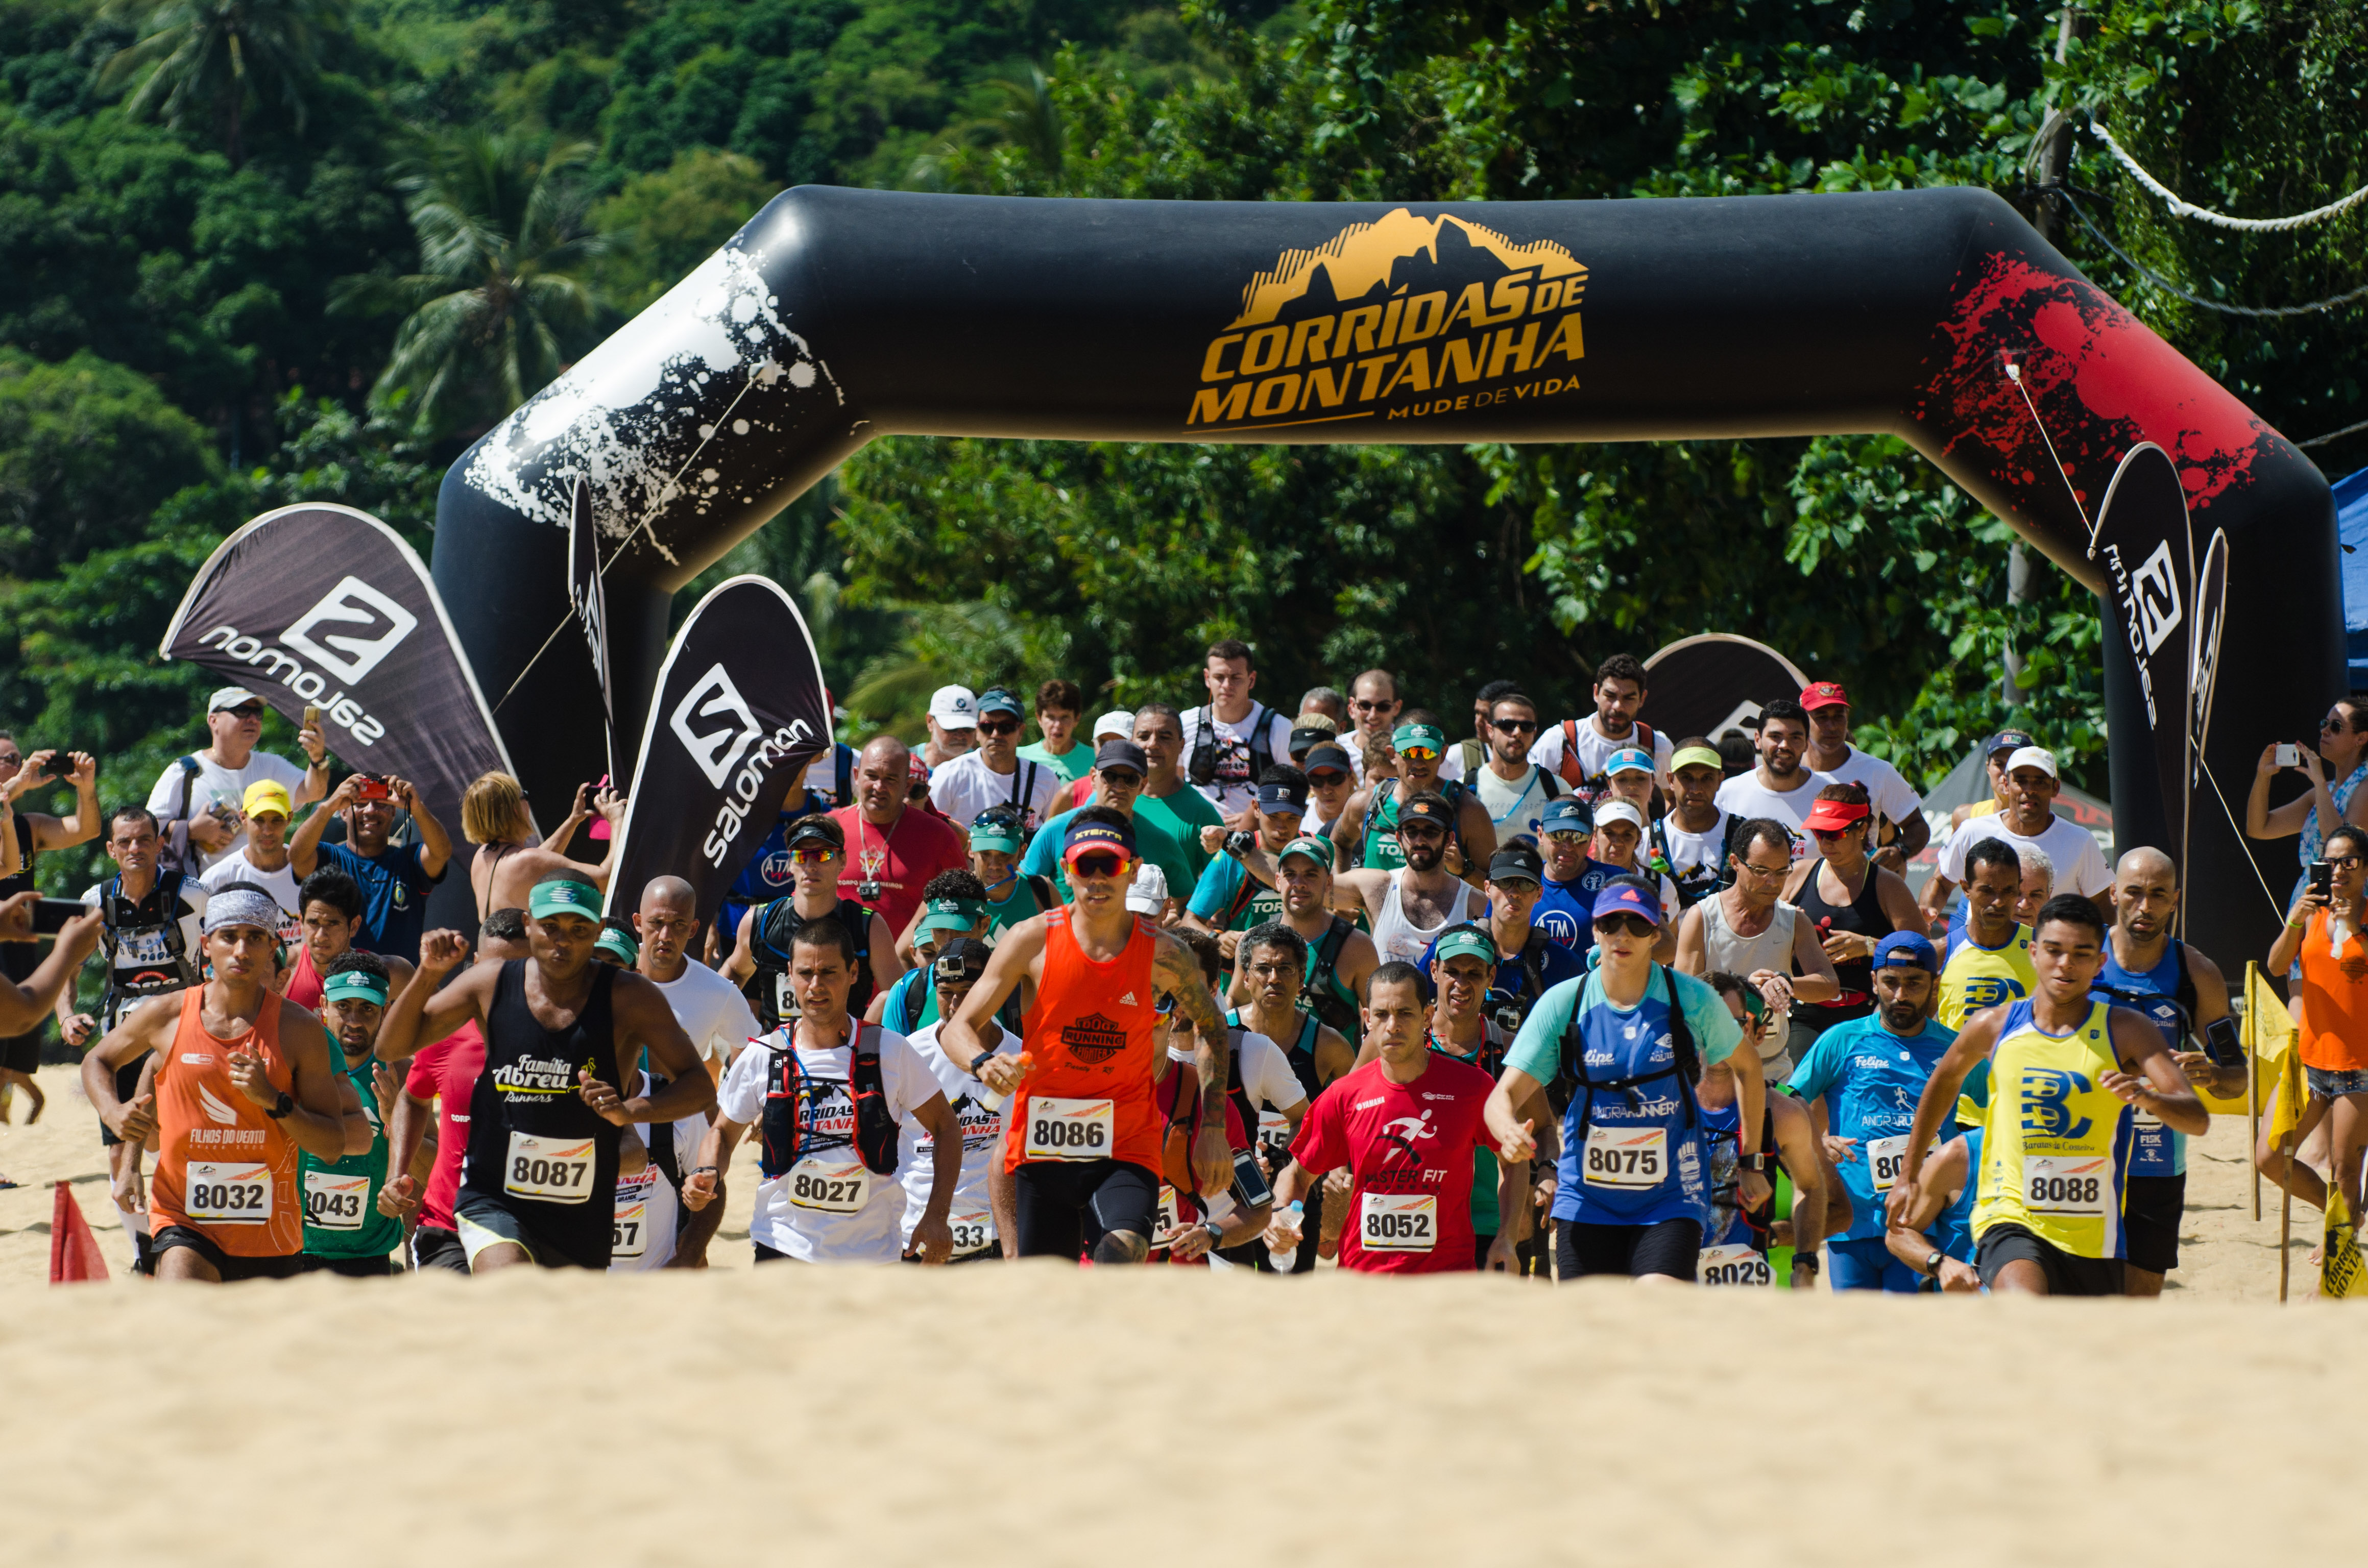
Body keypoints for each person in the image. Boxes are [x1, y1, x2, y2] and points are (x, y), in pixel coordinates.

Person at [936, 809, 1238, 1263]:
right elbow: (959, 1027)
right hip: (1043, 1146)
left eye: (1110, 865)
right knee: (1047, 1287)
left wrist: (1212, 1127)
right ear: (1065, 869)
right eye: (1085, 866)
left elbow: (1214, 1027)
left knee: (1125, 1250)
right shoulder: (1030, 940)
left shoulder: (1163, 953)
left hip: (1126, 1143)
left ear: (1132, 869)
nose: (1097, 879)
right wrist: (981, 1062)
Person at [374, 879, 714, 1270]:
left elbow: (699, 1087)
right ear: (529, 923)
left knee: (553, 1322)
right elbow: (390, 1047)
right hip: (495, 1191)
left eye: (579, 930)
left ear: (598, 932)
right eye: (550, 926)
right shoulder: (491, 984)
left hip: (579, 1203)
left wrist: (630, 1111)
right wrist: (429, 975)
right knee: (509, 1284)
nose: (562, 942)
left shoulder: (630, 997)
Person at [1894, 895, 2209, 1296]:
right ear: (2034, 953)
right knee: (2024, 1309)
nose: (2066, 964)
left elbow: (2196, 1119)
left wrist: (2151, 1100)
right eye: (2055, 951)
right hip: (2011, 1217)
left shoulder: (2128, 1030)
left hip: (2095, 1233)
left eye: (2081, 954)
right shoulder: (1995, 1026)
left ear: (2100, 964)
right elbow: (1942, 1084)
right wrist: (1908, 1175)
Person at [1488, 877, 1754, 1282]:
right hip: (1586, 1199)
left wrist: (1752, 1161)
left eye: (1638, 924)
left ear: (1656, 933)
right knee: (1595, 1326)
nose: (1623, 935)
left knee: (1655, 1305)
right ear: (1595, 928)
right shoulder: (1566, 1001)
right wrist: (1507, 1129)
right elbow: (1502, 1095)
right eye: (1611, 923)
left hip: (1671, 1198)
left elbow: (1749, 1070)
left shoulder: (1692, 999)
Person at [81, 887, 352, 1281]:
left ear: (272, 946)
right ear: (207, 945)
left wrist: (273, 1100)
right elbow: (97, 1060)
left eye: (255, 938)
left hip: (270, 1231)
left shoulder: (300, 1030)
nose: (241, 950)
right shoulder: (167, 1015)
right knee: (181, 1319)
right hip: (183, 1218)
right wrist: (113, 1113)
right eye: (229, 937)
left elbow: (331, 1145)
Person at [685, 917, 963, 1264]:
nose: (816, 986)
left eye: (829, 973)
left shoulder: (890, 1052)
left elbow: (946, 1127)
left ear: (853, 972)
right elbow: (722, 1135)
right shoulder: (765, 1054)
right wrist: (707, 1171)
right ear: (790, 974)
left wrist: (937, 1214)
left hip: (873, 1253)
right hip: (783, 1244)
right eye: (805, 973)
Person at [1269, 960, 1514, 1273]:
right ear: (1367, 1019)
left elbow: (1513, 1161)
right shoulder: (1343, 1096)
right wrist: (1280, 1213)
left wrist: (1506, 1235)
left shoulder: (1473, 1087)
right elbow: (1297, 1174)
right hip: (1365, 1283)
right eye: (1382, 1015)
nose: (1393, 1026)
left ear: (1427, 1017)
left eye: (1405, 1013)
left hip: (1448, 1282)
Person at [58, 806, 209, 1268]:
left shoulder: (194, 896)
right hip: (122, 1038)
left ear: (161, 842)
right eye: (125, 842)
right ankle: (144, 1254)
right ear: (111, 850)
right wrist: (67, 1016)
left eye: (144, 840)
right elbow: (70, 962)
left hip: (183, 1035)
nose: (135, 850)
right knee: (122, 1147)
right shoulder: (96, 901)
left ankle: (189, 1241)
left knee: (183, 1142)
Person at [2091, 846, 2239, 1296]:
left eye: (2158, 895)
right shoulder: (2080, 953)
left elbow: (2239, 1076)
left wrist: (2213, 1074)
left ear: (2175, 899)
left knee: (2141, 1296)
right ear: (2114, 892)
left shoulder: (2197, 973)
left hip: (2155, 1159)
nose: (2145, 907)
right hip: (2080, 1149)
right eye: (2134, 893)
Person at [1783, 933, 1959, 1291]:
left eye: (1914, 984)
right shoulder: (1842, 1039)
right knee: (1853, 1336)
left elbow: (1999, 1106)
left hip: (1923, 1226)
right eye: (1891, 982)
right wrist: (1818, 1141)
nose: (1901, 995)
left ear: (1934, 984)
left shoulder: (1954, 1049)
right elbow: (1788, 1102)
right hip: (1854, 1224)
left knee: (1908, 1338)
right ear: (1873, 981)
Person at [376, 910, 531, 1273]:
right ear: (475, 965)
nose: (504, 985)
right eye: (493, 970)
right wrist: (396, 1174)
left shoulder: (560, 1038)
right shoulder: (446, 1033)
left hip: (528, 1226)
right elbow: (413, 1097)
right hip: (446, 1225)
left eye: (518, 972)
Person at [1226, 922, 1355, 1270]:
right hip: (1228, 1189)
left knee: (1289, 1299)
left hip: (1299, 1188)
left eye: (1285, 969)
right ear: (1246, 976)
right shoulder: (1220, 1035)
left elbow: (1353, 1114)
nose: (1274, 979)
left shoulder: (1330, 1047)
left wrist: (1338, 1168)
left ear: (1302, 979)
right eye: (1263, 969)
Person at [2259, 823, 2368, 1228]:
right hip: (2311, 1064)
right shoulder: (2310, 915)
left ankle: (2338, 1248)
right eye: (2330, 863)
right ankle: (2342, 1217)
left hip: (2360, 1067)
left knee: (2346, 1171)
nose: (2338, 871)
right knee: (2269, 1157)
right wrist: (2293, 921)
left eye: (2349, 862)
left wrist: (2356, 929)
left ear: (2366, 870)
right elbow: (2274, 966)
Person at [1675, 818, 1839, 1080]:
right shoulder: (1702, 917)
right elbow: (1683, 999)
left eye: (1782, 872)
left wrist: (1785, 983)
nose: (1773, 882)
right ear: (1735, 863)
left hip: (1772, 1068)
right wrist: (1743, 991)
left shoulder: (1794, 920)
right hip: (1713, 1069)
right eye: (1761, 871)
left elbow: (1830, 986)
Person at [1698, 973, 1827, 1288]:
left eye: (1734, 1025)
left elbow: (1813, 1188)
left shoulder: (1783, 1113)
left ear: (1756, 1033)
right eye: (1707, 1022)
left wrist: (1805, 1262)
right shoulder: (1661, 1102)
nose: (1719, 1038)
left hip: (1745, 1292)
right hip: (1668, 1278)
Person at [897, 938, 1021, 1261]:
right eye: (946, 993)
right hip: (915, 1230)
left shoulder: (1020, 1056)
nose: (955, 1005)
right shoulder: (907, 1054)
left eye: (967, 993)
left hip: (996, 1235)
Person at [1416, 925, 1531, 1268]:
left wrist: (1548, 1174)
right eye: (1451, 971)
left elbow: (1541, 1129)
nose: (1461, 983)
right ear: (1434, 970)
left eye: (1474, 973)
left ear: (1491, 976)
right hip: (1409, 1222)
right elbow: (1348, 1109)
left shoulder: (1508, 1048)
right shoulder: (1399, 1039)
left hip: (1483, 1223)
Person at [1777, 783, 1921, 1056]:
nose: (1825, 842)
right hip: (1803, 1014)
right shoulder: (1798, 875)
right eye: (1819, 832)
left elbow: (1924, 953)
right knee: (1798, 1095)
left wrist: (1869, 946)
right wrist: (1786, 925)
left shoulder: (1888, 886)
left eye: (1834, 833)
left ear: (1862, 829)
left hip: (1866, 1015)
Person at [725, 814, 901, 1033]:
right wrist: (743, 1031)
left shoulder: (868, 926)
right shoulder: (760, 921)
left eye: (823, 855)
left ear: (843, 861)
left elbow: (899, 1000)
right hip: (781, 1052)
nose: (811, 865)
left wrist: (870, 1039)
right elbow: (735, 972)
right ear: (790, 863)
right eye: (801, 856)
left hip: (846, 1051)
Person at [298, 952, 414, 1275]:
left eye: (367, 1008)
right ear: (323, 1006)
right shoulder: (293, 1061)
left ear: (386, 1011)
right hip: (292, 1244)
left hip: (367, 1252)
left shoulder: (400, 1075)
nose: (354, 1021)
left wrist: (396, 1121)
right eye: (343, 1006)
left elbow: (431, 1169)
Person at [0, 740, 99, 1112]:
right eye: (7, 760)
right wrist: (19, 785)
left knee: (10, 1064)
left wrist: (86, 788)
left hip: (21, 945)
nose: (18, 765)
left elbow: (85, 830)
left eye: (18, 759)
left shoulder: (24, 827)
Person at [1921, 745, 2111, 925]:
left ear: (2055, 788)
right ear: (2006, 784)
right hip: (1986, 954)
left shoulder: (2080, 840)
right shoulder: (1972, 831)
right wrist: (1927, 912)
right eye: (2021, 780)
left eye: (2040, 782)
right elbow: (1941, 882)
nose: (2030, 790)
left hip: (2049, 955)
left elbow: (2104, 901)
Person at [145, 687, 328, 870]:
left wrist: (318, 758)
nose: (253, 719)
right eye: (241, 711)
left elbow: (314, 792)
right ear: (213, 720)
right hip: (204, 892)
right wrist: (192, 830)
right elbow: (147, 830)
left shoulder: (271, 766)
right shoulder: (186, 771)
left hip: (263, 889)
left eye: (258, 713)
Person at [1224, 835, 1375, 1049]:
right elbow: (1235, 1005)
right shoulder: (1253, 941)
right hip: (1262, 1074)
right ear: (1278, 881)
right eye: (1290, 874)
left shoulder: (1357, 947)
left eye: (1311, 875)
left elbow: (1380, 1022)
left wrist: (1354, 1078)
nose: (1299, 884)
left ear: (1329, 883)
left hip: (1331, 1077)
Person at [1016, 739, 1197, 913]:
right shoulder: (1055, 830)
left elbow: (1188, 909)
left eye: (1130, 779)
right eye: (1110, 777)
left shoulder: (1160, 841)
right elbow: (1023, 892)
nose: (1119, 786)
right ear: (1094, 777)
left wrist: (1169, 925)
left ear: (1143, 784)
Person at [1419, 844, 1585, 1035]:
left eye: (1525, 884)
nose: (1514, 893)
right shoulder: (1453, 944)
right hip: (1457, 1061)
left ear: (1539, 894)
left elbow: (1583, 1032)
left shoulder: (1562, 962)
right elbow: (1409, 1000)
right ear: (1488, 888)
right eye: (1505, 882)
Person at [290, 771, 452, 962]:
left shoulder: (409, 859)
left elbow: (441, 852)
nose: (370, 810)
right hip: (340, 984)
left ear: (394, 811)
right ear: (343, 812)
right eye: (360, 804)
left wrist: (416, 807)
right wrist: (328, 805)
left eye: (381, 804)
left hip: (400, 985)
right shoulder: (329, 857)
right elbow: (296, 856)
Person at [833, 736, 969, 938]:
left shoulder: (938, 835)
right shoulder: (830, 827)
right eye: (871, 776)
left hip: (908, 966)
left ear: (908, 785)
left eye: (891, 779)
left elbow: (962, 906)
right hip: (836, 964)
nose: (879, 787)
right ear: (856, 776)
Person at [1334, 715, 1496, 878]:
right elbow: (1338, 844)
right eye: (1409, 752)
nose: (1418, 764)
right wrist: (1341, 896)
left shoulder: (1468, 811)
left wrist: (1462, 869)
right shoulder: (1366, 804)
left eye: (1428, 753)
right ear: (1392, 754)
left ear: (1443, 754)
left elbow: (1495, 886)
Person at [1333, 794, 1485, 968]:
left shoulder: (1473, 902)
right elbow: (1310, 891)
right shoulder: (1376, 887)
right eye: (1411, 832)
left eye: (1431, 832)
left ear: (1449, 839)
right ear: (1399, 838)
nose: (1420, 840)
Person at [2245, 697, 2368, 902]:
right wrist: (2263, 776)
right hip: (2311, 904)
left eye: (2336, 726)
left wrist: (2319, 783)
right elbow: (2259, 828)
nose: (2325, 731)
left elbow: (2342, 849)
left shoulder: (2363, 787)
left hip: (2344, 904)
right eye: (2324, 723)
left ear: (2361, 739)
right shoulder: (2324, 791)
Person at [1797, 681, 1928, 872]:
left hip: (1858, 891)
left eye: (1839, 717)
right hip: (1796, 894)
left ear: (1847, 718)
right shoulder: (1789, 771)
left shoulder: (1877, 771)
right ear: (1803, 720)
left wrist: (1901, 851)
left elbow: (1918, 826)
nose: (1832, 726)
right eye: (1822, 717)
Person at [463, 772, 622, 923]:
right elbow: (606, 879)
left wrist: (573, 820)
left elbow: (537, 862)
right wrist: (617, 822)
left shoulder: (482, 856)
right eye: (524, 795)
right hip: (525, 952)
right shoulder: (527, 862)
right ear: (515, 810)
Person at [1185, 770, 1308, 954]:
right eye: (1273, 816)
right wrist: (1217, 939)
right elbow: (1189, 921)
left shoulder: (1315, 851)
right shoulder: (1230, 858)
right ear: (1256, 809)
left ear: (1305, 811)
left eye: (1292, 817)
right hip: (1242, 975)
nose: (1281, 828)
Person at [1528, 653, 1673, 802]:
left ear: (1642, 699)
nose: (1618, 706)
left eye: (1629, 698)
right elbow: (1527, 793)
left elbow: (1674, 799)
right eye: (1610, 696)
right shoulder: (1560, 740)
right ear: (1596, 693)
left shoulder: (1657, 745)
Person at [929, 685, 1062, 838]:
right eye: (987, 727)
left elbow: (1056, 839)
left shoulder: (1044, 778)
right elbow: (931, 832)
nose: (996, 734)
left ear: (1021, 732)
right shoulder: (949, 775)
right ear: (977, 731)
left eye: (1007, 727)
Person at [1179, 638, 1292, 816]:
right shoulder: (1186, 723)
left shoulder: (1279, 727)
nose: (1227, 686)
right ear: (1207, 678)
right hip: (1199, 832)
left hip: (1255, 834)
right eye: (1219, 677)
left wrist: (1254, 818)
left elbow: (1291, 790)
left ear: (1252, 679)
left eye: (1236, 678)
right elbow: (1173, 783)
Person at [282, 867, 416, 1014]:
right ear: (301, 922)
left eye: (332, 924)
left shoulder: (389, 974)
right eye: (313, 923)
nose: (320, 936)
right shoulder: (282, 969)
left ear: (354, 926)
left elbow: (440, 1024)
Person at [1936, 837, 2036, 1030]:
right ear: (1966, 889)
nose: (1998, 902)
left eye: (2008, 891)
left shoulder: (2042, 948)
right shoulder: (1940, 953)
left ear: (2018, 888)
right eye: (1987, 891)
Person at [196, 781, 306, 947]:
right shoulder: (217, 879)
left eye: (276, 820)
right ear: (243, 818)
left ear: (289, 819)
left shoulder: (311, 871)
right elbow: (202, 945)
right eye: (259, 820)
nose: (267, 830)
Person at [1710, 698, 1821, 860]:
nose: (1784, 745)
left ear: (1806, 743)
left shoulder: (1827, 795)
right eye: (1775, 736)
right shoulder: (1727, 793)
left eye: (1795, 737)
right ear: (1757, 739)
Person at [1127, 704, 1225, 879]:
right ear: (1132, 742)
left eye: (1165, 737)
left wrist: (1187, 907)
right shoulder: (1112, 799)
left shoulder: (1200, 811)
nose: (1153, 744)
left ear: (1182, 745)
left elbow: (1221, 883)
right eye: (1143, 736)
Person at [1645, 738, 1732, 910]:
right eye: (1687, 778)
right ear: (1670, 780)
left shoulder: (1744, 834)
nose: (1696, 789)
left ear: (1720, 780)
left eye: (1706, 778)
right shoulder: (1645, 840)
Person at [1468, 691, 1563, 844]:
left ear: (1534, 732)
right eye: (1507, 725)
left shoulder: (1558, 790)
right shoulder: (1464, 789)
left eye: (1526, 726)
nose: (1517, 733)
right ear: (1490, 731)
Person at [1589, 800, 1680, 954]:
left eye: (1627, 835)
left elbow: (1670, 946)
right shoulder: (1580, 880)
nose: (1617, 842)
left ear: (1638, 840)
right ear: (1595, 836)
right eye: (1609, 833)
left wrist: (1618, 962)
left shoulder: (1659, 884)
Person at [1529, 798, 1609, 951]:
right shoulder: (1517, 881)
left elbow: (1666, 945)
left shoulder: (1615, 883)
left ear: (1591, 839)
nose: (1568, 846)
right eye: (1558, 836)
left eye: (1578, 837)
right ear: (1541, 835)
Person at [962, 809, 1056, 933]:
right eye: (986, 854)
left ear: (1022, 852)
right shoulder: (954, 898)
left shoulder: (1042, 889)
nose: (994, 865)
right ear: (971, 849)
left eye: (1004, 855)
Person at [1016, 678, 1092, 783]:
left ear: (1077, 719)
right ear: (1039, 719)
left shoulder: (1095, 761)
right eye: (1051, 717)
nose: (1057, 725)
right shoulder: (1018, 758)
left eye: (1065, 717)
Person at [1451, 679, 1524, 780]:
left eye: (1486, 716)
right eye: (1477, 713)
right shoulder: (1458, 755)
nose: (1478, 722)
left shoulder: (1533, 761)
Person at [1300, 741, 1357, 838]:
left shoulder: (1365, 818)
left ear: (1351, 779)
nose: (1327, 791)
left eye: (1335, 779)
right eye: (1317, 781)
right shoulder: (1298, 817)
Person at [921, 684, 978, 771]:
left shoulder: (986, 767)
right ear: (930, 722)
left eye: (967, 729)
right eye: (952, 728)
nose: (959, 736)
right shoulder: (905, 764)